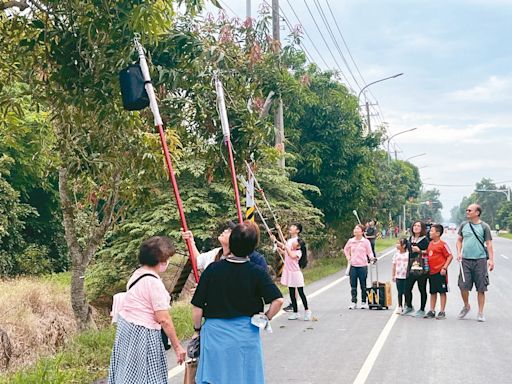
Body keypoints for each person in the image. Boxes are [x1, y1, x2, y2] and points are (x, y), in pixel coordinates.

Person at [191, 222, 284, 383]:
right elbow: (278, 300)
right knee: (245, 377)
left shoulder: (213, 269)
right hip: (245, 333)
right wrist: (265, 318)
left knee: (215, 378)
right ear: (253, 247)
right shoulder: (257, 272)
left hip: (215, 335)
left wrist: (197, 330)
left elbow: (197, 306)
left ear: (231, 243)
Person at [108, 236, 186, 384]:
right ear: (161, 261)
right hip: (144, 333)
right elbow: (164, 319)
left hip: (127, 330)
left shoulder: (138, 273)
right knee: (148, 375)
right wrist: (177, 346)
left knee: (128, 372)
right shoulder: (153, 283)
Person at [456, 203, 495, 322]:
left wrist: (491, 260)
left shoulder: (484, 227)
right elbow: (459, 240)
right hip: (465, 260)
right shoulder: (464, 225)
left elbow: (488, 244)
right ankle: (466, 306)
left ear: (477, 213)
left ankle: (481, 312)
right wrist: (459, 252)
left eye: (470, 210)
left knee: (481, 287)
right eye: (467, 210)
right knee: (463, 286)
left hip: (480, 260)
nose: (467, 212)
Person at [182, 220, 268, 272]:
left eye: (230, 230)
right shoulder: (216, 253)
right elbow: (197, 261)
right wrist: (191, 242)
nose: (225, 230)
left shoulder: (254, 259)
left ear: (235, 237)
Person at [277, 233, 311, 321]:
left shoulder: (298, 252)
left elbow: (291, 255)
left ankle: (307, 311)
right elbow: (285, 251)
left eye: (295, 242)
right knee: (292, 293)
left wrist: (285, 247)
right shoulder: (290, 250)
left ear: (298, 246)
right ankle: (295, 312)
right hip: (290, 274)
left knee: (301, 293)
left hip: (296, 274)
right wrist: (276, 242)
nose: (293, 242)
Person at [423, 224, 453, 320]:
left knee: (442, 292)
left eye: (432, 231)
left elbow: (450, 256)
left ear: (438, 233)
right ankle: (432, 310)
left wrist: (444, 268)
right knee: (433, 291)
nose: (429, 233)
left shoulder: (443, 244)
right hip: (431, 272)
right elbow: (428, 253)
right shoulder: (430, 243)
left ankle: (442, 311)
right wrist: (420, 251)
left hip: (440, 272)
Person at [343, 224, 375, 309]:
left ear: (362, 231)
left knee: (363, 285)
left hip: (363, 265)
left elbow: (369, 252)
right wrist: (348, 257)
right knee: (353, 285)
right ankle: (354, 302)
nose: (355, 230)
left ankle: (364, 301)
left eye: (357, 229)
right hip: (353, 265)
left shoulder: (365, 242)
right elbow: (345, 249)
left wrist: (372, 258)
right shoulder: (351, 241)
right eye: (355, 229)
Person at [403, 221, 430, 317]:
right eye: (414, 225)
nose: (416, 227)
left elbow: (429, 252)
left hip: (421, 266)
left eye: (418, 226)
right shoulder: (410, 238)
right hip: (411, 265)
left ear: (422, 228)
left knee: (422, 288)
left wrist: (420, 251)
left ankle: (422, 309)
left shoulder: (425, 240)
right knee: (407, 287)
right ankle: (409, 306)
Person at [391, 238, 409, 314]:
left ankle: (406, 305)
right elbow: (394, 265)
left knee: (406, 291)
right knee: (399, 292)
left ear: (404, 245)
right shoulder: (396, 254)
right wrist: (393, 275)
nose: (397, 245)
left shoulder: (408, 254)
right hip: (398, 275)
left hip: (406, 276)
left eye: (399, 243)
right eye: (397, 243)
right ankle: (399, 306)